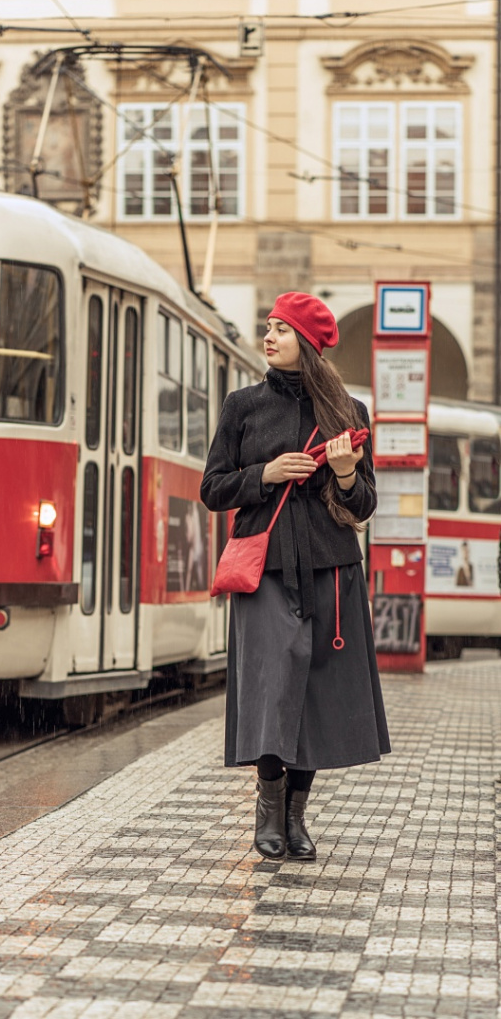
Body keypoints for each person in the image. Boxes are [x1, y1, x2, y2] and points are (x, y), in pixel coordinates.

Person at [200, 292, 391, 862]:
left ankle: (296, 816)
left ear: (306, 342)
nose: (270, 336)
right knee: (270, 687)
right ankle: (267, 805)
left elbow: (364, 506)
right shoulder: (242, 405)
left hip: (333, 571)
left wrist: (347, 474)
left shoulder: (348, 412)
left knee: (316, 691)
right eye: (269, 326)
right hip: (265, 571)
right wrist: (264, 474)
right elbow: (212, 489)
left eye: (281, 329)